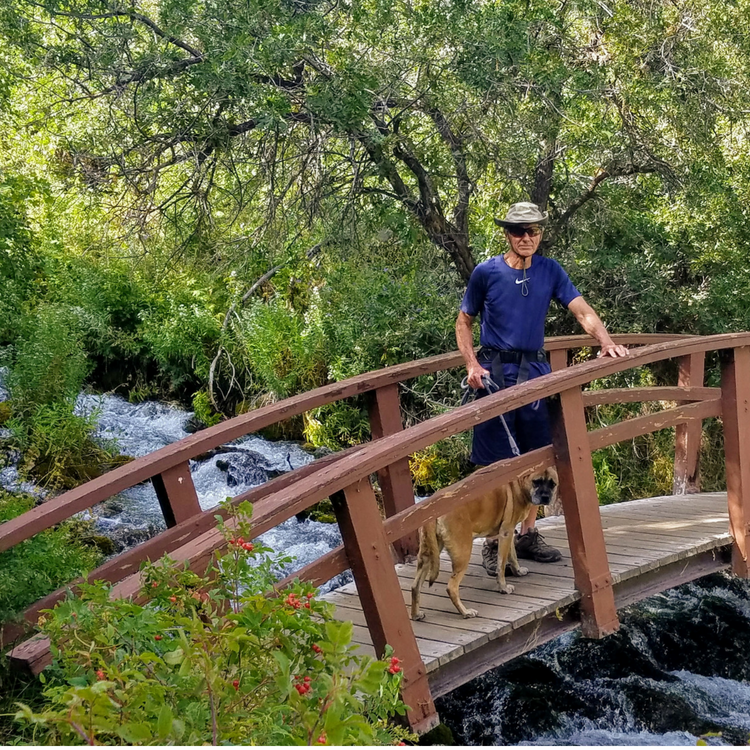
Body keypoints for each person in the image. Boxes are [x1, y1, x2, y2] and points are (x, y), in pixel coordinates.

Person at [456, 201, 628, 575]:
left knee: (537, 457)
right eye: (519, 231)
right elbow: (464, 321)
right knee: (495, 462)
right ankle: (492, 541)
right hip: (495, 373)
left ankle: (527, 535)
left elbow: (581, 310)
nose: (526, 238)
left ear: (541, 233)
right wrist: (472, 364)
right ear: (507, 234)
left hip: (535, 371)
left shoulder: (550, 270)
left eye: (533, 231)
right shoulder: (486, 272)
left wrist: (606, 341)